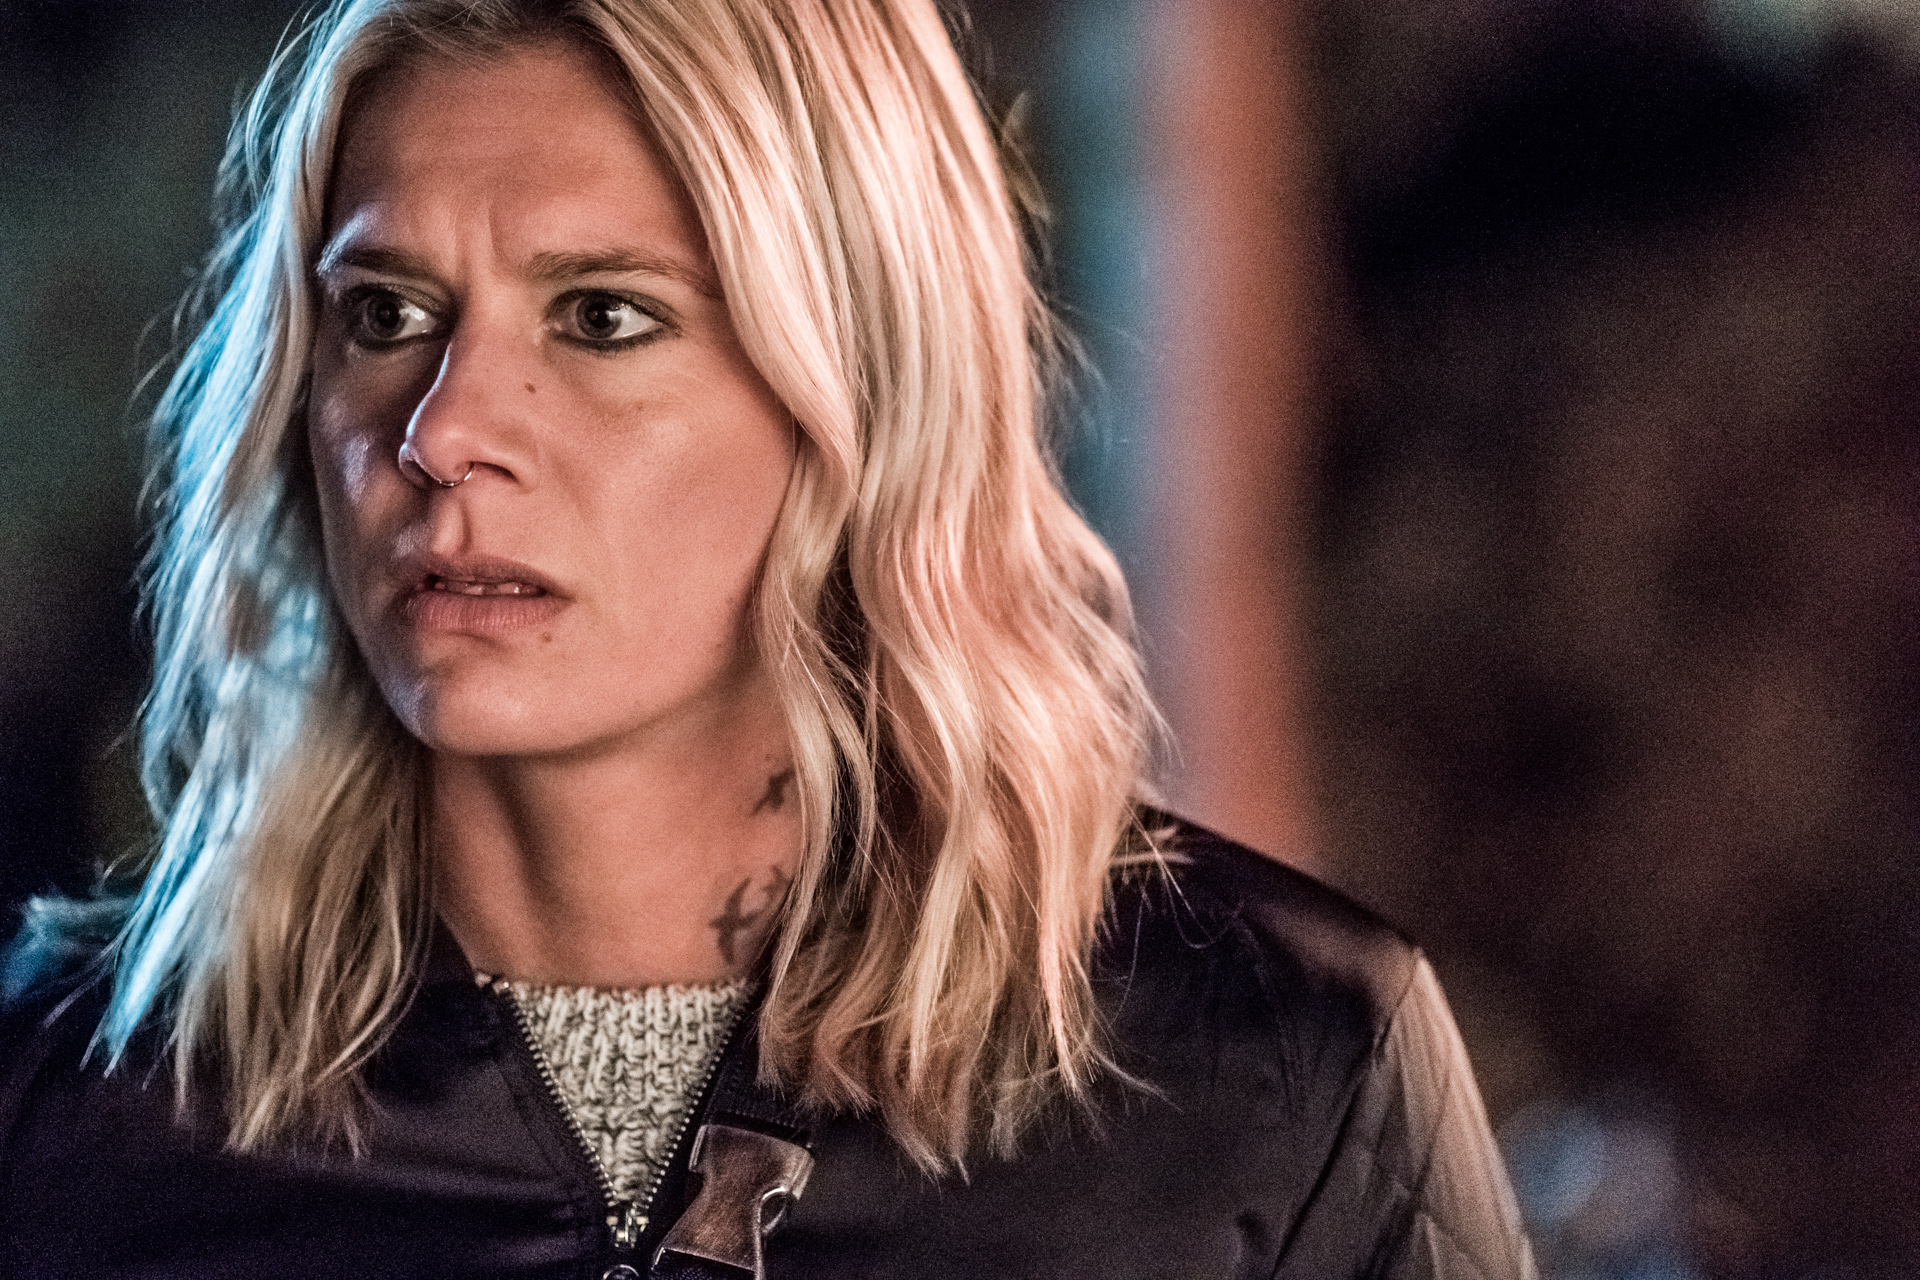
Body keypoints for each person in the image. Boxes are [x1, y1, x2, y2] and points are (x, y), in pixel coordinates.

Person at [0, 1, 1535, 1276]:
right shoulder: (59, 1118)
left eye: (603, 318)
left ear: (856, 393)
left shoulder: (1277, 1074)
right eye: (386, 315)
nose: (444, 431)